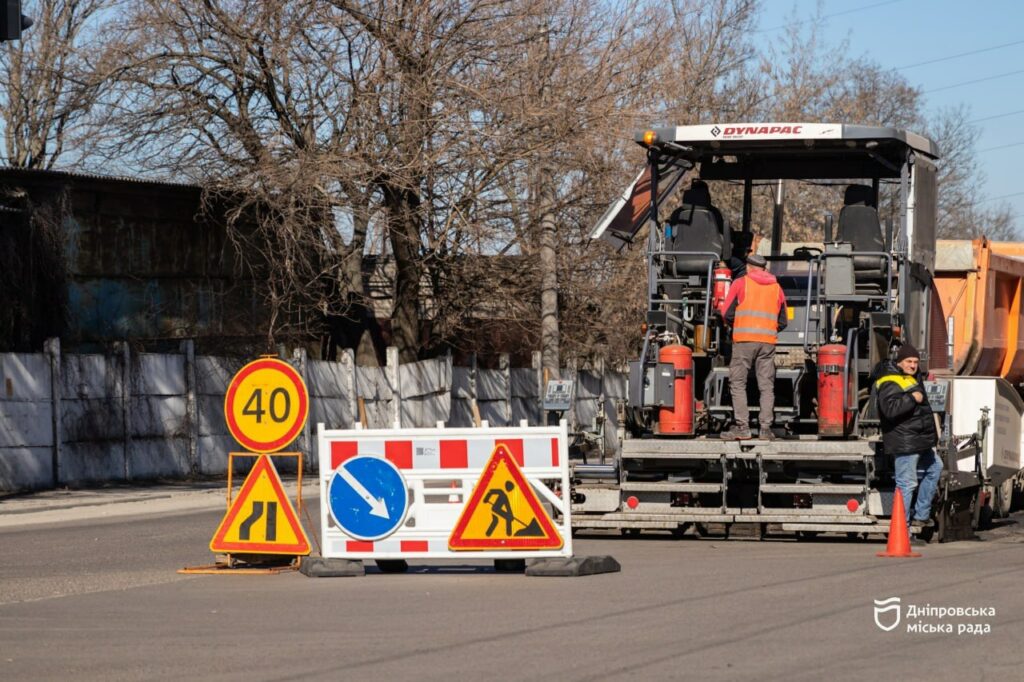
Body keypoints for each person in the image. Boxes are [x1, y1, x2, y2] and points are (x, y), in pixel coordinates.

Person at [720, 253, 788, 440]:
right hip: (767, 343)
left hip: (744, 340)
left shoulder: (741, 283)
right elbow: (783, 321)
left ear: (749, 268)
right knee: (766, 386)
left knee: (738, 383)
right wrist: (767, 329)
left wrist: (739, 323)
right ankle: (765, 429)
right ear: (765, 269)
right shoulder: (777, 288)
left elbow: (726, 312)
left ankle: (743, 427)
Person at [874, 343, 942, 529]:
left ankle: (921, 515)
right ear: (899, 362)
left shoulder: (909, 377)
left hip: (917, 440)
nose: (913, 365)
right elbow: (890, 409)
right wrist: (913, 398)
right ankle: (901, 529)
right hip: (905, 441)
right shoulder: (890, 380)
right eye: (908, 361)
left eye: (915, 362)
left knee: (936, 467)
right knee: (906, 483)